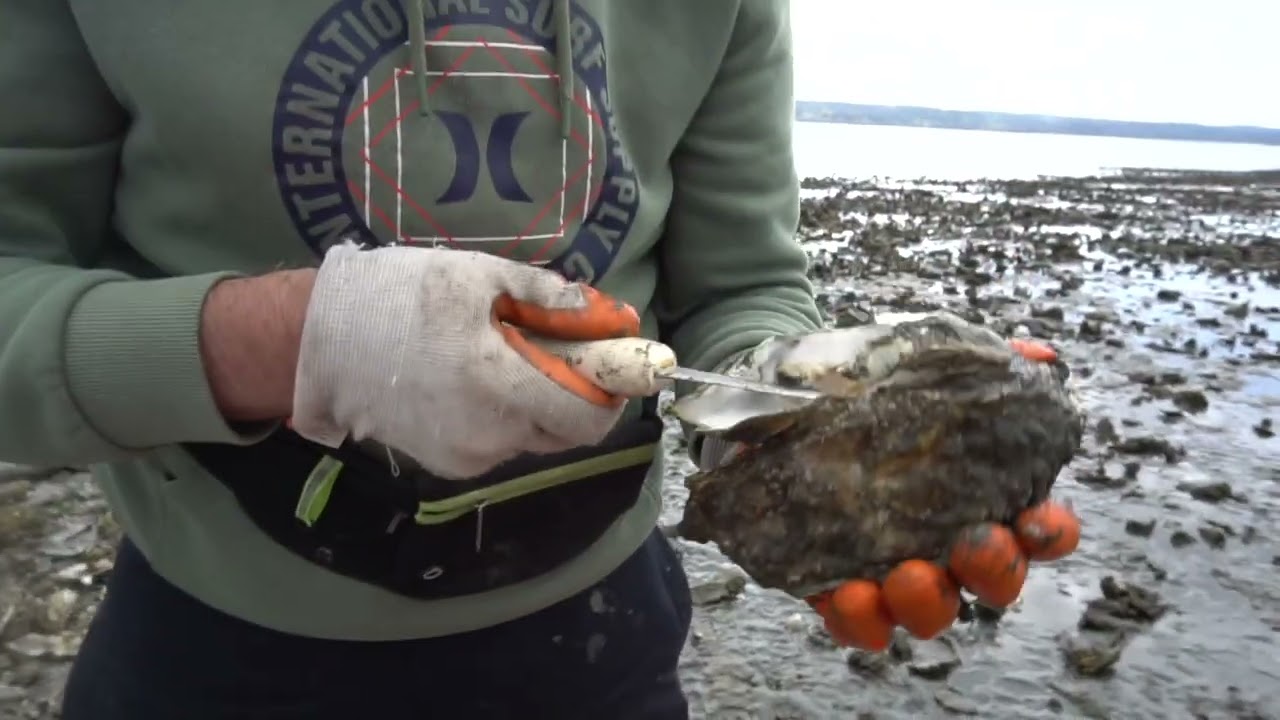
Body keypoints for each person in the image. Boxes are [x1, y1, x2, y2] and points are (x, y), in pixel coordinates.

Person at [0, 0, 1077, 717]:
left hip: (598, 640)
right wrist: (290, 339)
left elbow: (741, 279)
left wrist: (787, 413)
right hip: (215, 641)